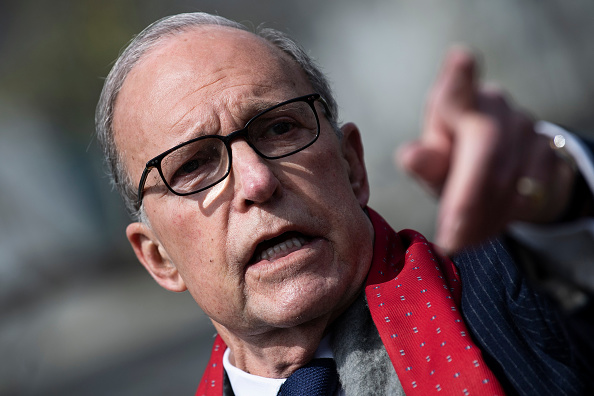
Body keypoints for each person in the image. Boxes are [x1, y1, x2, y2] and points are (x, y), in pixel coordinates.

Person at [95, 12, 594, 396]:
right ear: (158, 258)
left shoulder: (507, 289)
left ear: (353, 166)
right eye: (193, 166)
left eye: (280, 128)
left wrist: (559, 190)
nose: (257, 179)